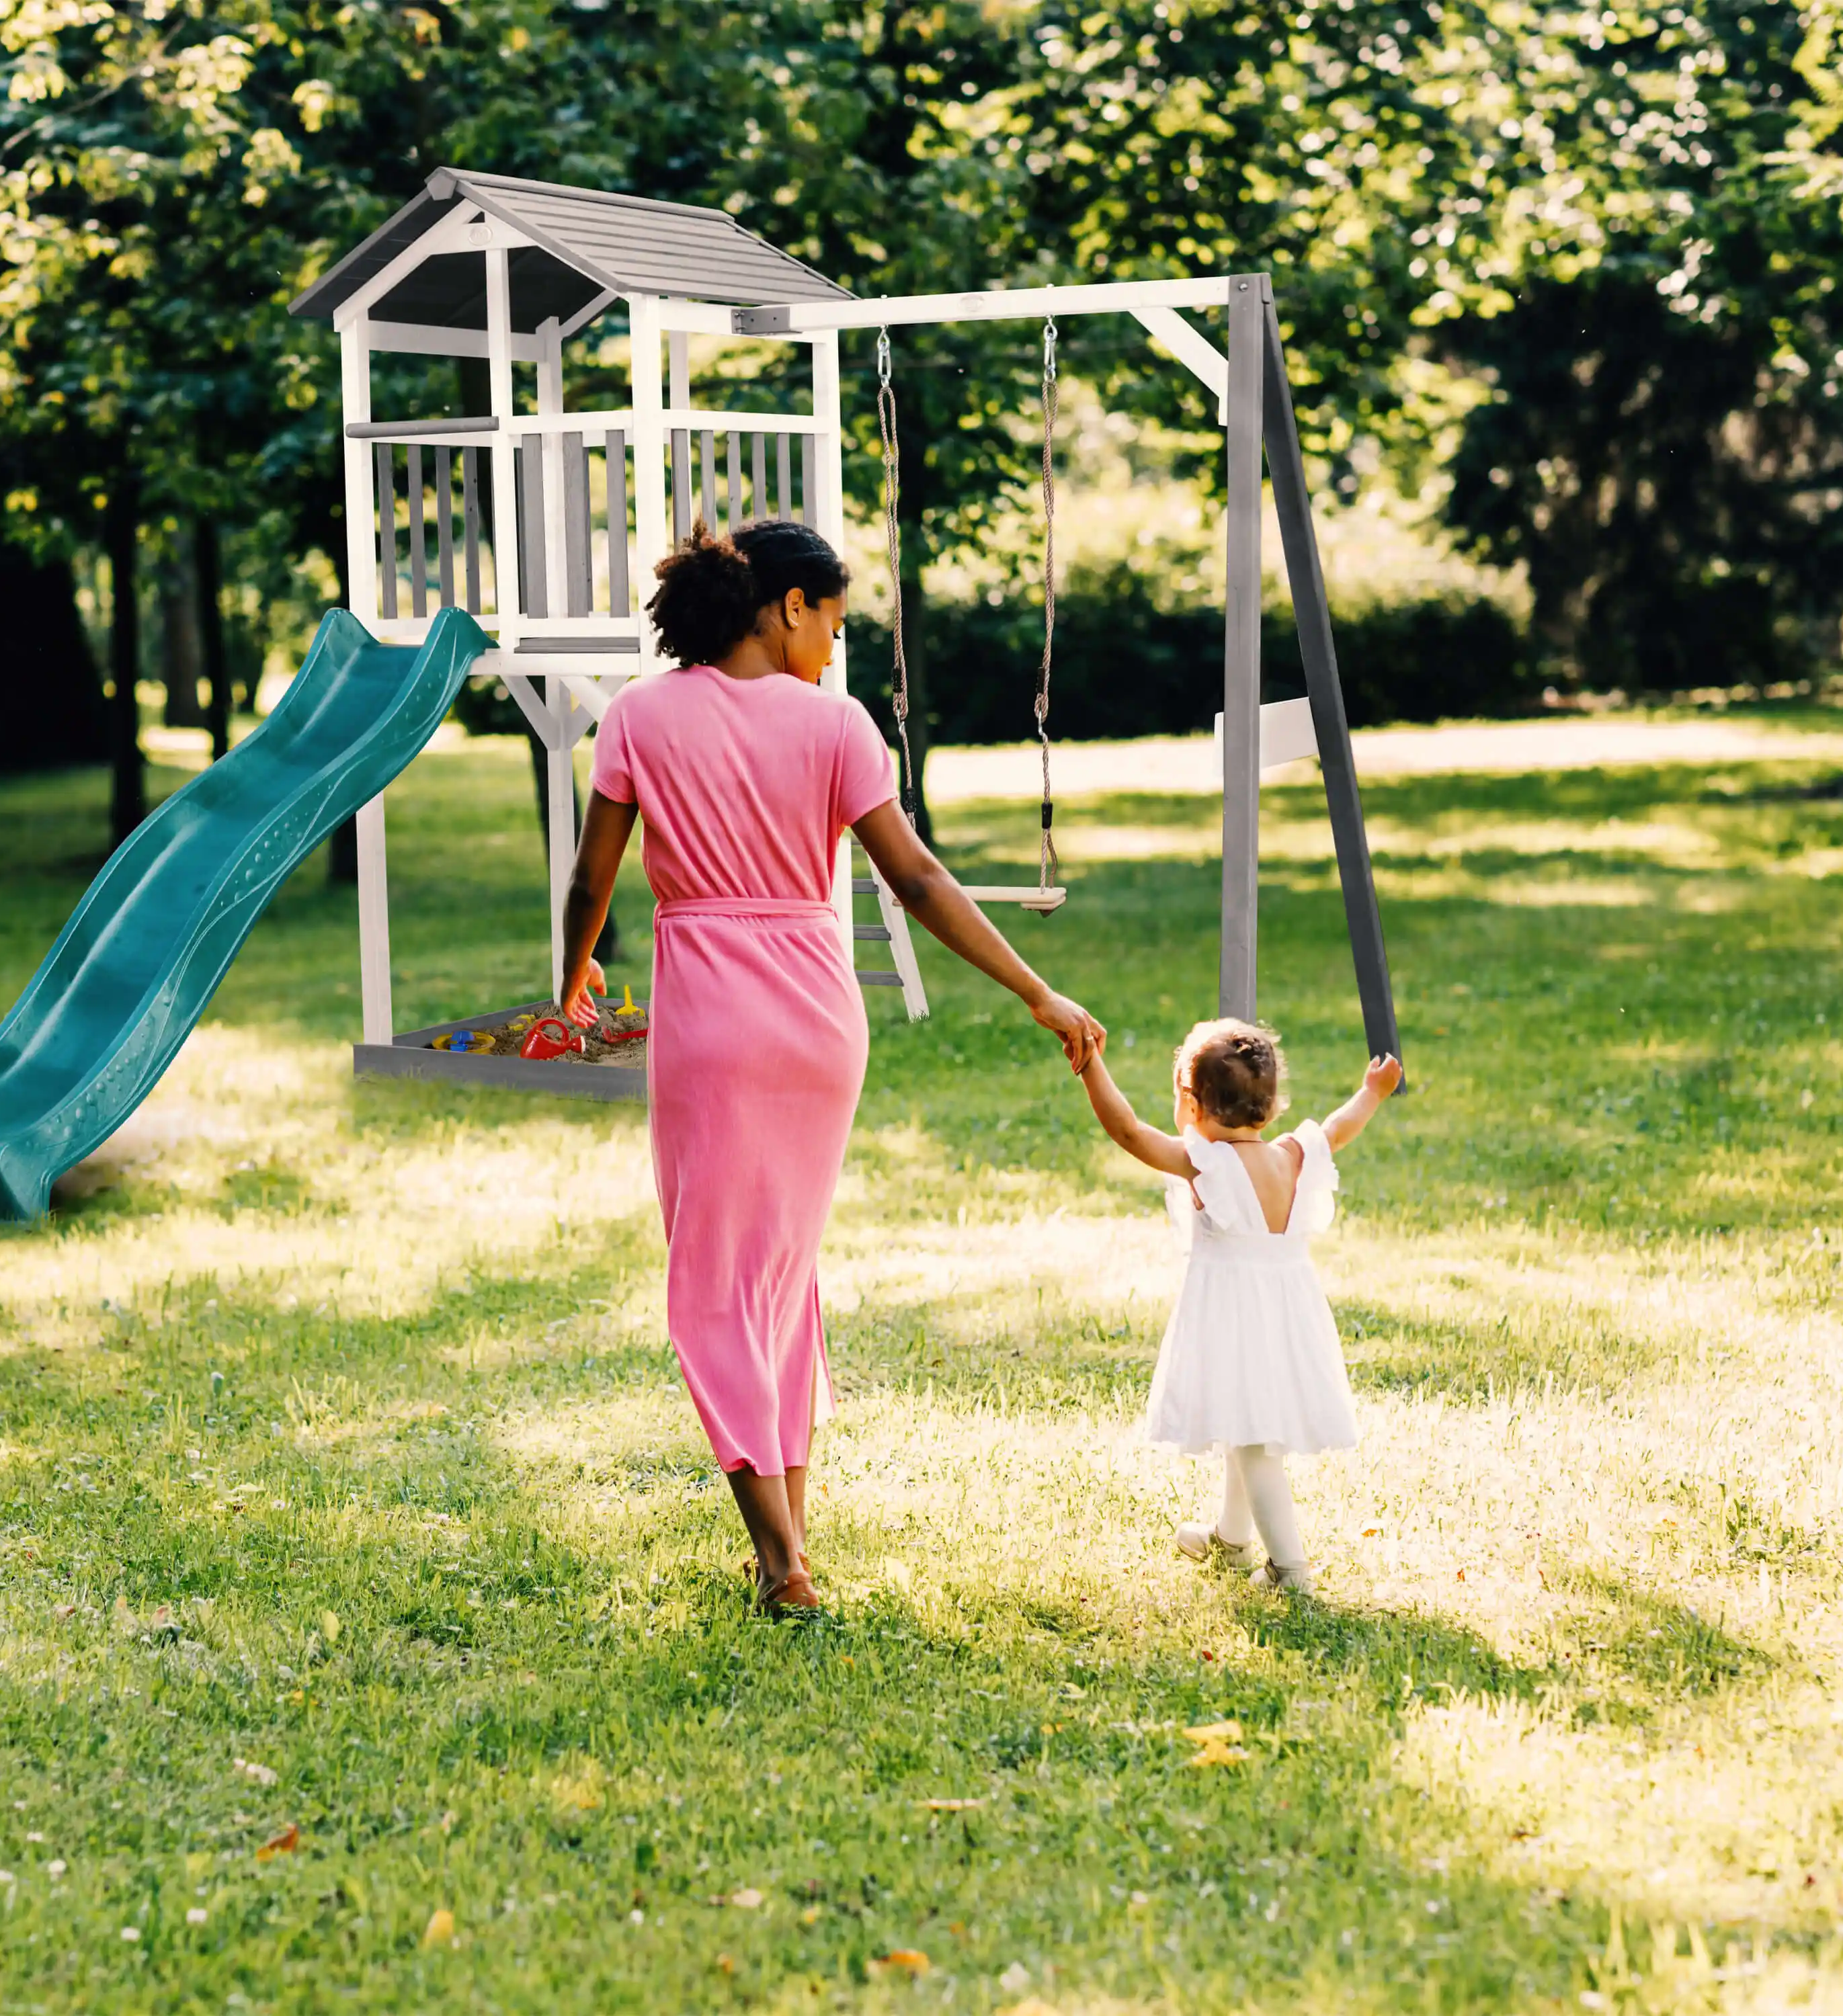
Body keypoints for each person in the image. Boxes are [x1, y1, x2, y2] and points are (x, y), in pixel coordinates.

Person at [557, 519, 1105, 1616]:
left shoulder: (639, 716)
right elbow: (919, 880)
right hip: (817, 1018)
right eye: (834, 624)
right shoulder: (838, 726)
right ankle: (789, 1542)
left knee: (716, 1284)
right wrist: (1035, 989)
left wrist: (569, 979)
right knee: (779, 1276)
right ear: (787, 606)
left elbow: (592, 879)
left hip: (711, 1017)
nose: (834, 648)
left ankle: (778, 1560)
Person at [1074, 1019, 1403, 1593]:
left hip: (1234, 1317)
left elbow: (1127, 1131)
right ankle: (1230, 1538)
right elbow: (1338, 1127)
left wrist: (1090, 1064)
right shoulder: (1293, 1155)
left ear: (1192, 1104)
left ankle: (1290, 1569)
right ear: (1271, 1107)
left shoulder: (1207, 1165)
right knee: (1241, 1420)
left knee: (1252, 1443)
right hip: (1287, 1313)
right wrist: (1371, 1093)